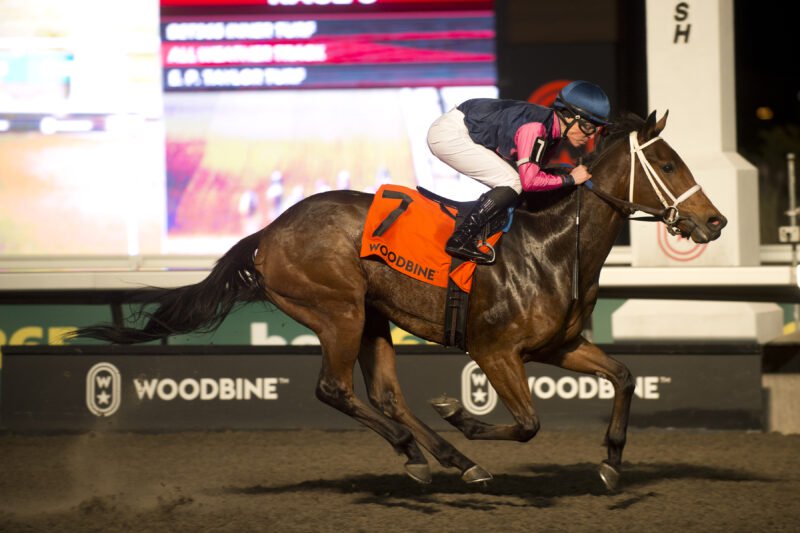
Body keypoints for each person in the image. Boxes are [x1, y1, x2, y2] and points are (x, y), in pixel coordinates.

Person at [427, 80, 611, 263]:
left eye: (597, 130)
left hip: (463, 128)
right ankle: (461, 239)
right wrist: (570, 179)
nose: (591, 136)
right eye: (588, 127)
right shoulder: (536, 128)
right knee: (513, 182)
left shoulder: (552, 133)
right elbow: (529, 182)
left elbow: (537, 177)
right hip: (450, 134)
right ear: (569, 116)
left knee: (514, 183)